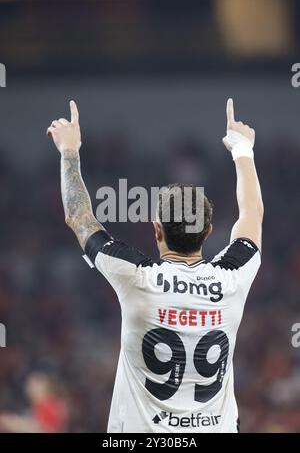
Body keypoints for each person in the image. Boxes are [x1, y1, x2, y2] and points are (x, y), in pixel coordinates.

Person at [47, 98, 263, 433]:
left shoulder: (136, 277)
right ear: (208, 231)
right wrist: (243, 150)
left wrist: (69, 152)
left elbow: (79, 218)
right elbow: (252, 216)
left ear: (156, 229)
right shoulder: (233, 278)